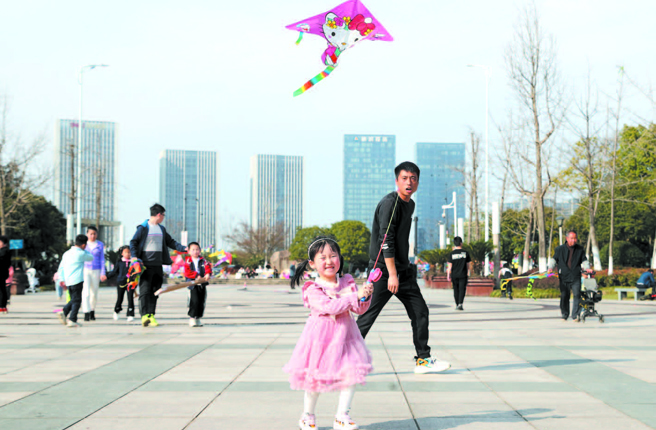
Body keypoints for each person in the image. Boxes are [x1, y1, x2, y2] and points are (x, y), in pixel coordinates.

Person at [356, 161, 451, 374]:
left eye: (413, 179)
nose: (409, 183)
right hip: (383, 271)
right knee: (367, 317)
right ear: (397, 181)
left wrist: (402, 268)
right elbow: (385, 240)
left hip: (402, 270)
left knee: (420, 311)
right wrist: (392, 274)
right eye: (405, 178)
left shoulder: (410, 204)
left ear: (418, 182)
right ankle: (340, 359)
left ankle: (423, 360)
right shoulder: (390, 204)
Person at [283, 237, 373, 430]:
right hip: (320, 340)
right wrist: (354, 296)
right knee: (315, 379)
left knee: (351, 374)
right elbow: (330, 307)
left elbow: (358, 309)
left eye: (333, 256)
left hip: (346, 337)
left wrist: (365, 296)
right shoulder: (312, 288)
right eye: (322, 257)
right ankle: (307, 415)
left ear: (339, 258)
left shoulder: (347, 281)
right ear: (312, 263)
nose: (329, 261)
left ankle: (342, 415)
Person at [129, 203, 186, 327]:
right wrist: (134, 256)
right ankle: (144, 315)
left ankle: (151, 315)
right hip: (145, 265)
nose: (164, 217)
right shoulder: (143, 228)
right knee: (145, 291)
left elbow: (171, 242)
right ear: (159, 214)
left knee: (156, 291)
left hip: (158, 265)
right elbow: (133, 242)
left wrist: (184, 248)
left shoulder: (161, 229)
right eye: (163, 215)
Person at [548, 230, 591, 322]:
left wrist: (587, 268)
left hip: (575, 276)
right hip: (564, 276)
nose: (573, 240)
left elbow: (584, 260)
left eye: (575, 238)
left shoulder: (580, 249)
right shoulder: (559, 249)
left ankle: (575, 315)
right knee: (564, 295)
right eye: (571, 238)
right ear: (567, 238)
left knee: (577, 294)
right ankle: (564, 314)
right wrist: (550, 268)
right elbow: (554, 259)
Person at [55, 235, 94, 327]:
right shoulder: (81, 254)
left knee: (74, 299)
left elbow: (61, 267)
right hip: (77, 280)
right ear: (83, 245)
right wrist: (85, 250)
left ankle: (64, 312)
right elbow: (91, 257)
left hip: (68, 280)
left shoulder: (66, 253)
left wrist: (62, 279)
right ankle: (72, 319)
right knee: (77, 301)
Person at [183, 242, 212, 327]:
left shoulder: (203, 260)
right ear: (189, 251)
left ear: (200, 250)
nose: (195, 251)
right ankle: (192, 317)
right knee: (194, 301)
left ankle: (198, 318)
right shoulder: (188, 261)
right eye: (193, 250)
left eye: (197, 249)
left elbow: (208, 268)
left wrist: (207, 274)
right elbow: (187, 272)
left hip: (202, 284)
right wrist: (196, 275)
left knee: (201, 301)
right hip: (193, 285)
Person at [81, 226, 107, 321]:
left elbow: (102, 259)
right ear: (87, 234)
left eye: (94, 234)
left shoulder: (99, 244)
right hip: (85, 270)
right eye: (91, 234)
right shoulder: (84, 244)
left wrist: (103, 273)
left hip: (96, 270)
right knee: (86, 292)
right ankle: (86, 311)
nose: (93, 236)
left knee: (94, 292)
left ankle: (92, 310)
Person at [107, 246, 135, 322]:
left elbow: (137, 272)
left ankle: (130, 314)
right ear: (122, 253)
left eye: (129, 252)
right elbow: (114, 271)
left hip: (130, 283)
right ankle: (117, 311)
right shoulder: (119, 262)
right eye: (126, 252)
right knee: (120, 298)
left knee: (130, 298)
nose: (128, 254)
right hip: (121, 282)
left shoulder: (133, 262)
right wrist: (107, 276)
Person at [446, 236, 472, 311]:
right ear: (461, 243)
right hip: (463, 274)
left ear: (454, 244)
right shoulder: (465, 253)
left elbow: (449, 266)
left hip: (454, 275)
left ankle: (457, 304)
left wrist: (448, 275)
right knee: (462, 289)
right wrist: (468, 272)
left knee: (456, 289)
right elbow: (468, 265)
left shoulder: (452, 254)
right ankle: (460, 303)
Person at [0, 236, 11, 314]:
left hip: (1, 273)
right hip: (3, 273)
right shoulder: (5, 251)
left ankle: (2, 306)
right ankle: (3, 306)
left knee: (1, 290)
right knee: (2, 289)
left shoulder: (3, 251)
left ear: (4, 243)